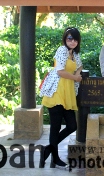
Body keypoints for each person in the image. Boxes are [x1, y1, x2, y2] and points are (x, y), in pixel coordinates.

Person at [39, 27, 83, 169]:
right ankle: (55, 158)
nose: (72, 41)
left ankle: (48, 149)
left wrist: (78, 73)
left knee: (72, 125)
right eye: (70, 38)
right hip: (56, 91)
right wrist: (75, 77)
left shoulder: (75, 54)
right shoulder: (62, 50)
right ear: (65, 38)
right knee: (55, 126)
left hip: (68, 92)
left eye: (75, 39)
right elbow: (59, 71)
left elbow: (80, 66)